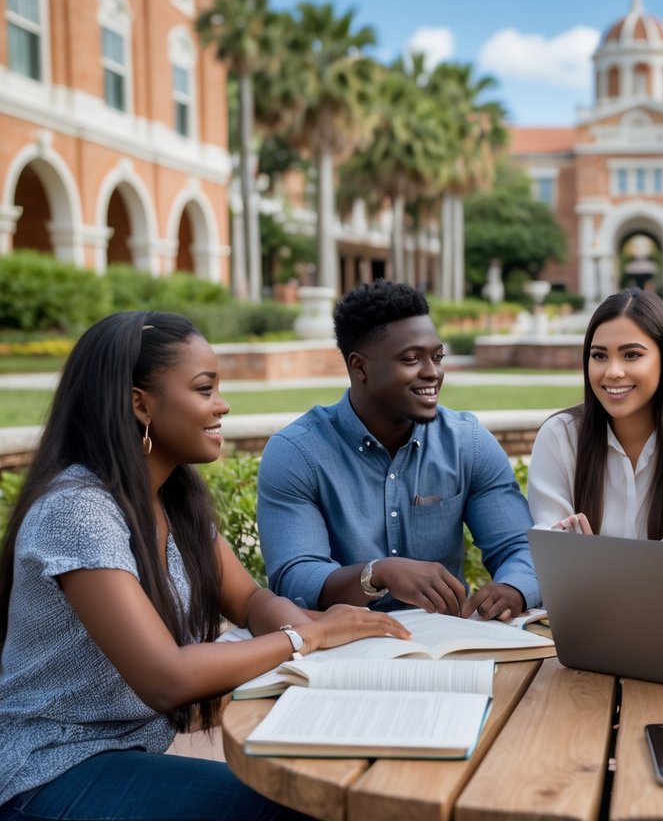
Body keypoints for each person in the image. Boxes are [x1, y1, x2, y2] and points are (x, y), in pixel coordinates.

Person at [0, 311, 406, 821]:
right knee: (301, 806)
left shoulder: (171, 500)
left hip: (118, 756)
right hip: (44, 774)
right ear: (139, 404)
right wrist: (308, 639)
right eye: (204, 389)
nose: (223, 405)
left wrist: (311, 626)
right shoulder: (78, 511)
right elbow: (166, 678)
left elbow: (248, 599)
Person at [258, 280, 539, 621]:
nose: (432, 373)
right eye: (411, 359)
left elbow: (519, 547)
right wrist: (379, 574)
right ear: (359, 366)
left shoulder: (468, 443)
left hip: (448, 647)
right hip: (342, 650)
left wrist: (514, 587)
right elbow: (295, 578)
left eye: (436, 357)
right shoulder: (297, 453)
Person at [527, 289, 663, 553]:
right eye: (599, 356)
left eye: (631, 355)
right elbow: (555, 551)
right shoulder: (560, 436)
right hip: (586, 596)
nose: (613, 372)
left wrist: (597, 558)